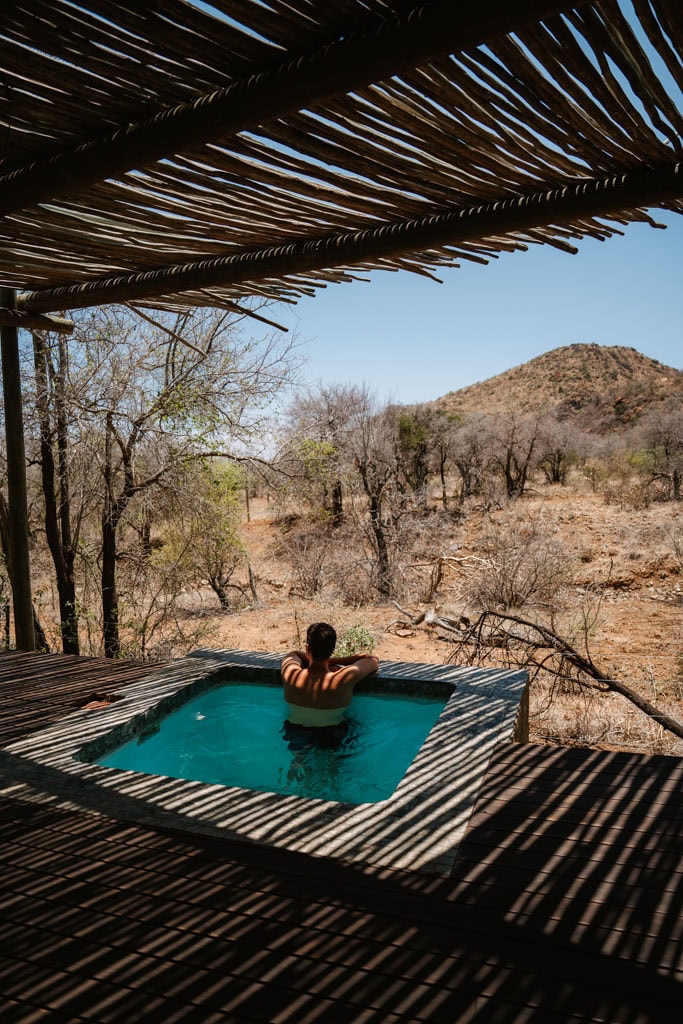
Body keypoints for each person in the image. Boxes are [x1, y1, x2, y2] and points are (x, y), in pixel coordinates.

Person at [281, 621, 379, 732]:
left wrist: (319, 659)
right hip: (332, 732)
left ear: (307, 648)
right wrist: (331, 661)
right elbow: (372, 659)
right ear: (332, 650)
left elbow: (294, 654)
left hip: (294, 730)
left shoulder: (290, 673)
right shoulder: (343, 678)